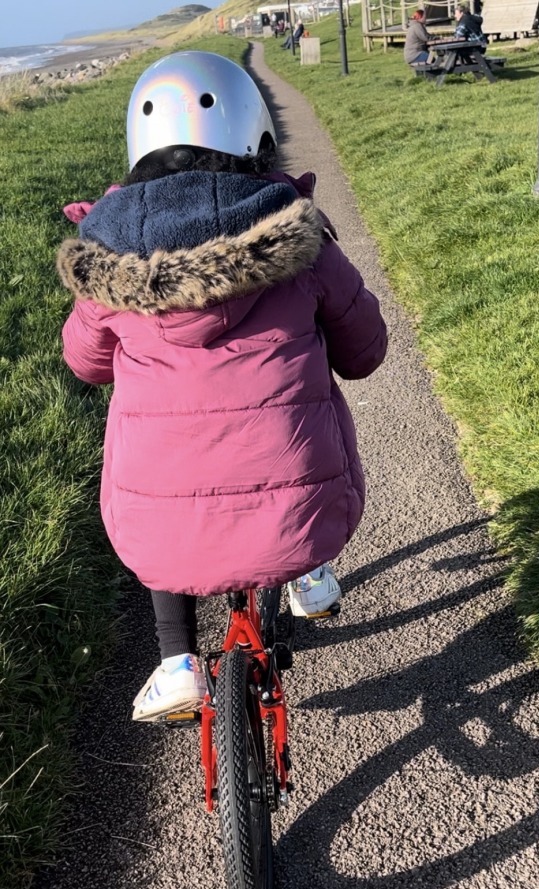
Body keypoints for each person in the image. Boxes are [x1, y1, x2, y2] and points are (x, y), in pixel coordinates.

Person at [57, 51, 387, 722]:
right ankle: (305, 570)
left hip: (157, 523)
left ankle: (176, 659)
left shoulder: (112, 265)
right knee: (300, 410)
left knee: (164, 485)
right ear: (251, 135)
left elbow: (85, 365)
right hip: (304, 503)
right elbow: (365, 353)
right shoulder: (301, 240)